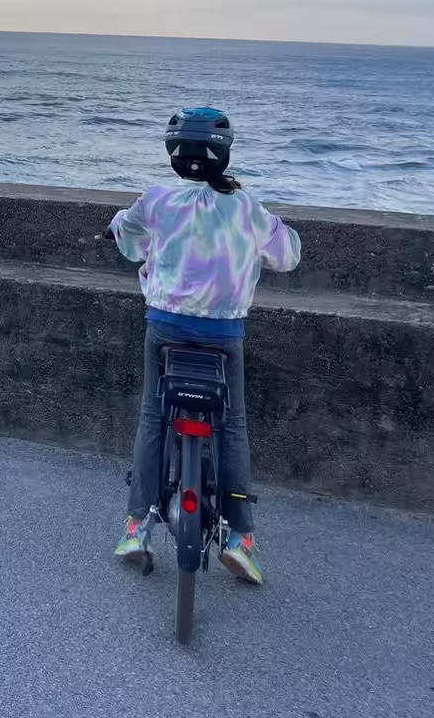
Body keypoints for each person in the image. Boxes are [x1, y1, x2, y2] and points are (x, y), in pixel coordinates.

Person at [108, 106, 301, 585]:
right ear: (223, 155)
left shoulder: (156, 201)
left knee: (153, 416)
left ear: (174, 154)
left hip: (166, 326)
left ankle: (136, 527)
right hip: (224, 334)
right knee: (231, 425)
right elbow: (287, 257)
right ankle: (240, 538)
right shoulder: (249, 209)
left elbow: (128, 239)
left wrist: (122, 228)